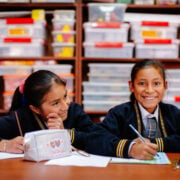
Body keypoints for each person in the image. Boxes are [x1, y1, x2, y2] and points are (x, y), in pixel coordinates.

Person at [86, 59, 180, 160]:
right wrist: (131, 148)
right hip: (129, 173)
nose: (149, 90)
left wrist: (153, 143)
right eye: (142, 83)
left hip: (166, 172)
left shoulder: (173, 113)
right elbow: (95, 139)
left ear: (165, 86)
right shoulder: (119, 113)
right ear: (131, 86)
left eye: (156, 83)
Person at [0, 70, 96, 154]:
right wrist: (5, 145)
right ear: (35, 109)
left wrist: (66, 133)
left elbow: (97, 138)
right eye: (55, 103)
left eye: (65, 96)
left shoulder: (74, 110)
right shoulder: (19, 118)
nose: (65, 105)